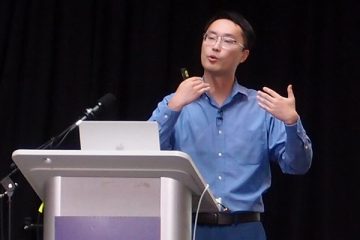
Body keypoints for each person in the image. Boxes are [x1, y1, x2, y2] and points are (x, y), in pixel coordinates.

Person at [149, 10, 312, 240]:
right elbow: (147, 154)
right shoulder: (175, 102)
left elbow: (297, 166)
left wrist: (291, 121)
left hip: (245, 228)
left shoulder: (261, 107)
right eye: (210, 37)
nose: (215, 46)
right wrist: (174, 106)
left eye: (227, 41)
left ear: (243, 55)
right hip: (188, 226)